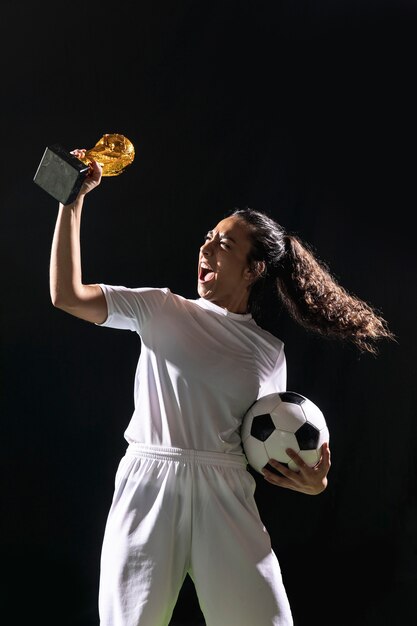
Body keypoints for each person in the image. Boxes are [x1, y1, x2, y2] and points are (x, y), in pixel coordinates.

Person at [49, 153, 394, 626]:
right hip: (151, 483)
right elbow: (67, 295)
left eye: (224, 245)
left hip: (225, 493)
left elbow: (267, 442)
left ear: (253, 269)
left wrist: (315, 481)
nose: (206, 249)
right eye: (207, 239)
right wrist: (72, 202)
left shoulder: (269, 351)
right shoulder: (159, 309)